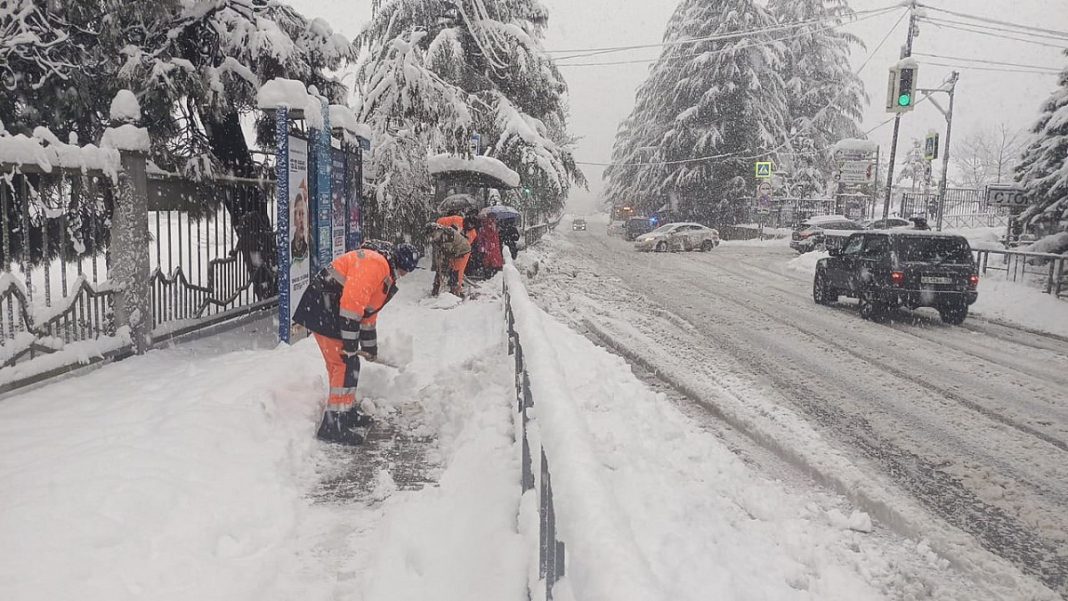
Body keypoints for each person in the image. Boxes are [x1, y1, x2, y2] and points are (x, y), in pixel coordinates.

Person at [292, 240, 420, 445]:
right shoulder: (376, 264)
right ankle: (332, 426)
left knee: (350, 364)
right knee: (343, 364)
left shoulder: (385, 272)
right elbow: (352, 305)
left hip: (330, 311)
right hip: (323, 309)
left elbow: (368, 313)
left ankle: (345, 412)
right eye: (407, 270)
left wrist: (370, 347)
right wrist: (351, 345)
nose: (405, 275)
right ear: (403, 265)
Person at [436, 211, 478, 296]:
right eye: (469, 224)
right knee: (442, 267)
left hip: (462, 252)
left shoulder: (472, 233)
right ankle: (438, 287)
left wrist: (457, 252)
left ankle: (456, 288)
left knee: (458, 270)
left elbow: (466, 246)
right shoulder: (456, 220)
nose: (470, 226)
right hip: (447, 247)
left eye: (472, 225)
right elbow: (439, 222)